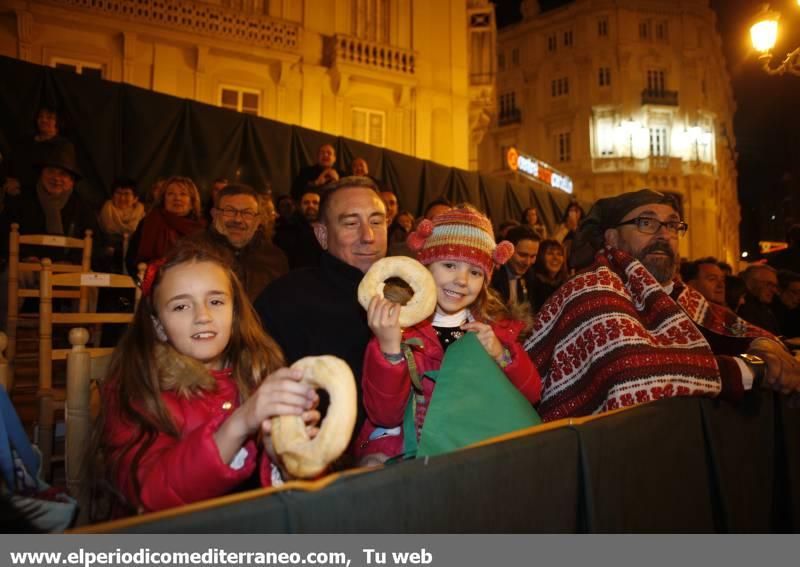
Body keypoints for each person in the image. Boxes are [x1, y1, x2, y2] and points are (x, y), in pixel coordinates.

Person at [524, 188, 800, 421]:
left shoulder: (679, 293)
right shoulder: (590, 288)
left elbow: (739, 332)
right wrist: (751, 369)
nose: (664, 235)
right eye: (646, 222)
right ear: (611, 238)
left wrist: (764, 346)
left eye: (672, 225)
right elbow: (630, 373)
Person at [101, 240, 319, 513]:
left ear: (234, 312)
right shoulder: (138, 388)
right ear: (158, 326)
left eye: (215, 301)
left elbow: (311, 502)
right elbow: (149, 495)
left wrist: (287, 460)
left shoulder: (263, 375)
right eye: (181, 307)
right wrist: (237, 424)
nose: (203, 316)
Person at [359, 205, 541, 462]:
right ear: (425, 267)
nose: (462, 280)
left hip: (471, 444)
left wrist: (501, 355)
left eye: (475, 272)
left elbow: (531, 395)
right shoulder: (396, 327)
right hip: (410, 448)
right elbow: (384, 416)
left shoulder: (493, 330)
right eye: (449, 265)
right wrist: (389, 352)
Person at [255, 176, 388, 440]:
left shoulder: (411, 298)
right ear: (322, 235)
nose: (368, 236)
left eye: (376, 222)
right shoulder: (284, 300)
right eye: (351, 223)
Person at [194, 184, 288, 301]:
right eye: (229, 211)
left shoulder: (274, 258)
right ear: (214, 214)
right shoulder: (192, 251)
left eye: (247, 213)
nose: (238, 219)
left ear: (258, 220)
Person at [126, 176, 206, 274]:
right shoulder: (150, 221)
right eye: (171, 194)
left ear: (192, 201)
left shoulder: (201, 228)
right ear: (163, 199)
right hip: (155, 279)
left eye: (183, 194)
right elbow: (132, 259)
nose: (177, 198)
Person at [98, 178, 146, 271]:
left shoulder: (143, 217)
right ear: (112, 196)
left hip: (134, 263)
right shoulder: (104, 212)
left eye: (127, 194)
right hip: (106, 264)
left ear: (135, 198)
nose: (122, 198)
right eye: (118, 193)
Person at [490, 225, 541, 309]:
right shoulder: (492, 276)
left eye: (533, 256)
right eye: (522, 255)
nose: (527, 263)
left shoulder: (531, 275)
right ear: (507, 250)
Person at [273, 189, 323, 269]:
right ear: (299, 206)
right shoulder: (287, 231)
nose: (311, 206)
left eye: (315, 203)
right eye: (306, 203)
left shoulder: (330, 229)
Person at [738, 264, 781, 335]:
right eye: (769, 284)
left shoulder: (766, 310)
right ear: (751, 282)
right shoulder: (739, 306)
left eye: (775, 286)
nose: (774, 290)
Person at [529, 239, 568, 312]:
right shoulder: (532, 282)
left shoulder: (565, 284)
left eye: (559, 254)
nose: (555, 258)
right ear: (540, 257)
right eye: (550, 253)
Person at [772, 270, 800, 338]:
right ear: (778, 290)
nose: (799, 297)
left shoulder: (794, 311)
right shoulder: (770, 313)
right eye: (794, 292)